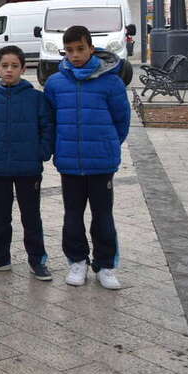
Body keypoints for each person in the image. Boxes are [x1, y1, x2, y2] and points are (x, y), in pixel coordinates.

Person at [44, 25, 131, 290]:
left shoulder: (111, 81)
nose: (75, 54)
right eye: (69, 50)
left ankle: (105, 265)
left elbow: (122, 120)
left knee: (102, 215)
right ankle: (77, 261)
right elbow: (50, 120)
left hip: (101, 163)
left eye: (80, 49)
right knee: (72, 214)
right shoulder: (56, 83)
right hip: (69, 162)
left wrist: (108, 144)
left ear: (91, 48)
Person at [0, 45, 55, 281]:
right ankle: (0, 257)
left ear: (22, 68)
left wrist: (42, 151)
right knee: (0, 215)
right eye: (4, 66)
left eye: (14, 66)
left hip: (28, 168)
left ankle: (37, 260)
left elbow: (46, 127)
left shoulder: (35, 98)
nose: (9, 70)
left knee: (31, 215)